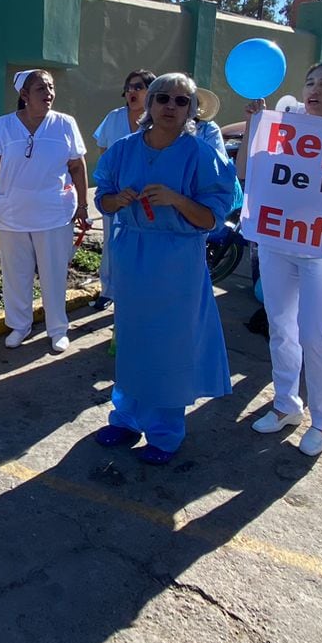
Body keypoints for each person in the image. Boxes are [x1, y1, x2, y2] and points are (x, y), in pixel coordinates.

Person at [92, 73, 235, 464]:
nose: (171, 106)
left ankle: (165, 432)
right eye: (164, 99)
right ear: (149, 104)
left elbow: (212, 219)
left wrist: (176, 199)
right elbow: (101, 198)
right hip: (131, 256)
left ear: (191, 110)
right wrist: (115, 201)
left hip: (177, 263)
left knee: (168, 347)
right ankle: (125, 419)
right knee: (133, 340)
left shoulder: (201, 154)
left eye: (181, 101)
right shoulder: (122, 149)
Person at [251, 62, 322, 457]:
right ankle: (286, 405)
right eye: (310, 82)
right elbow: (255, 171)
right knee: (280, 327)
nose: (314, 90)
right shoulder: (285, 123)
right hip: (276, 241)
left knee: (316, 335)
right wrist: (256, 126)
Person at [0, 69, 90, 354]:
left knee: (54, 273)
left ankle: (58, 329)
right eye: (40, 88)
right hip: (13, 214)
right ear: (24, 95)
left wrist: (83, 206)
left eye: (50, 87)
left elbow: (77, 166)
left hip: (54, 214)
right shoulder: (3, 126)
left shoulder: (65, 124)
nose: (48, 93)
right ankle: (19, 325)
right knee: (16, 274)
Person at [90, 69, 155, 312]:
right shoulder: (114, 118)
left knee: (143, 244)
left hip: (147, 197)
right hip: (116, 195)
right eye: (128, 87)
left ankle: (138, 292)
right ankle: (108, 291)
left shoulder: (156, 121)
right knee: (111, 242)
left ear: (151, 91)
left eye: (138, 87)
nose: (131, 92)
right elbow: (103, 151)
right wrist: (109, 186)